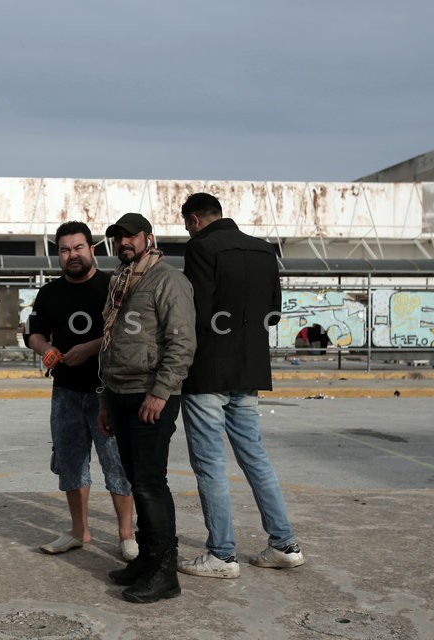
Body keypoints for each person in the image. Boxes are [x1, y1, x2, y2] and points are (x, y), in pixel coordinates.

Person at [178, 192, 305, 580]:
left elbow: (196, 313)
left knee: (210, 465)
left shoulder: (201, 247)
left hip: (206, 375)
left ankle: (221, 554)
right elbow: (275, 312)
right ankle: (284, 544)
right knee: (255, 457)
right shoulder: (264, 251)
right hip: (248, 371)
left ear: (195, 220)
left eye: (187, 225)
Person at [95, 212, 196, 604]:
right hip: (120, 393)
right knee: (138, 482)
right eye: (118, 238)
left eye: (130, 236)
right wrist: (105, 399)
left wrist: (161, 392)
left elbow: (182, 342)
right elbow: (108, 343)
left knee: (151, 484)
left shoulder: (168, 280)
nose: (123, 243)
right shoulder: (120, 282)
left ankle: (164, 572)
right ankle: (146, 560)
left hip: (149, 394)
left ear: (147, 238)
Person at [24, 221, 137, 561]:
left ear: (91, 249)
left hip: (108, 390)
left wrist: (88, 349)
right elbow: (34, 333)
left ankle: (126, 535)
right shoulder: (49, 293)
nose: (71, 255)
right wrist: (45, 349)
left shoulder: (113, 287)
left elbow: (126, 333)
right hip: (66, 392)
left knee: (117, 464)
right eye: (64, 250)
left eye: (77, 248)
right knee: (70, 463)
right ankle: (78, 531)